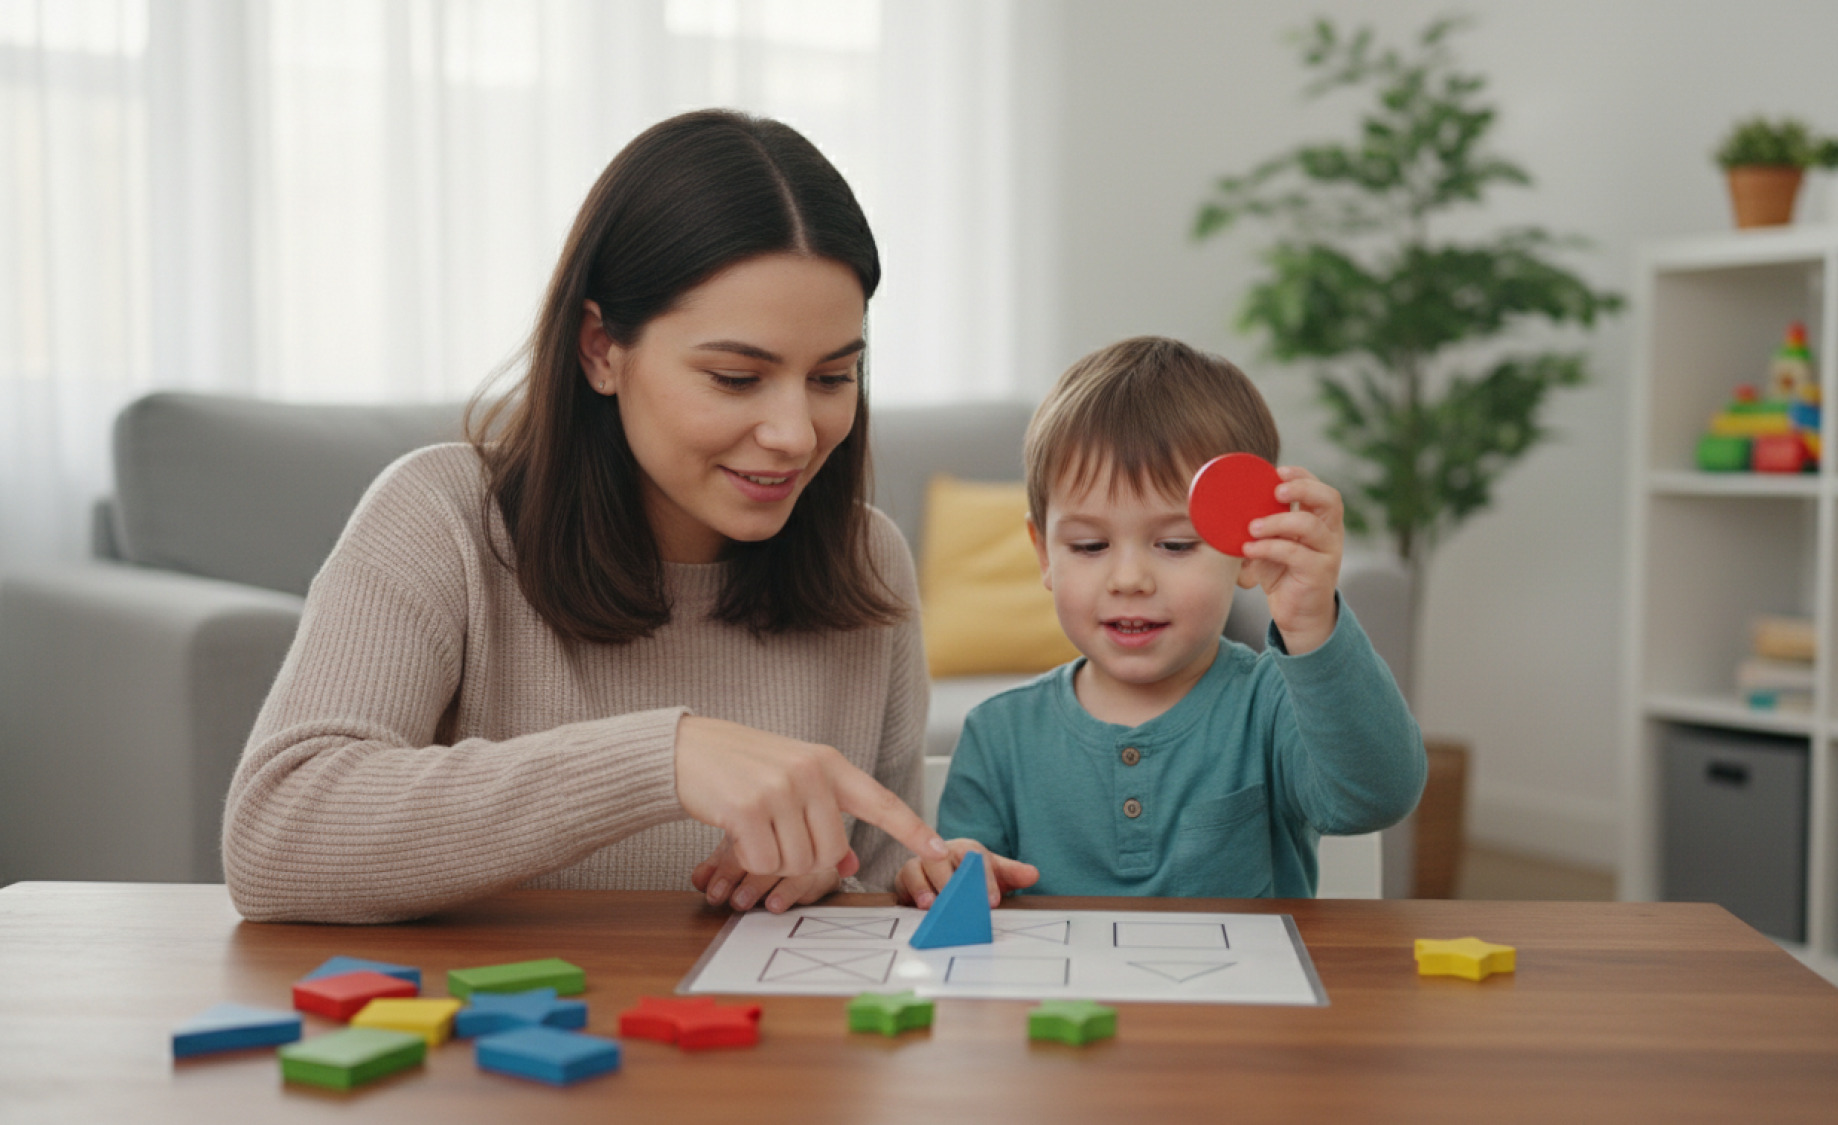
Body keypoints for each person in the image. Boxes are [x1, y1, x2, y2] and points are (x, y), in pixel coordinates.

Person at [224, 109, 948, 925]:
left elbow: (881, 904)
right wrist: (663, 757)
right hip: (494, 1041)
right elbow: (276, 838)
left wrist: (859, 880)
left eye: (831, 377)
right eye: (737, 379)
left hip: (754, 1045)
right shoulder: (440, 517)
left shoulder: (865, 556)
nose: (794, 434)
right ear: (601, 349)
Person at [899, 336, 1425, 905]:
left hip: (1242, 994)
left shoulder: (1273, 705)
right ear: (1044, 553)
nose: (1130, 579)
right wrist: (943, 874)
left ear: (1247, 551)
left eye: (1174, 545)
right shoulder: (997, 736)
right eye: (1090, 544)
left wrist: (1313, 626)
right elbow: (962, 895)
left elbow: (1378, 796)